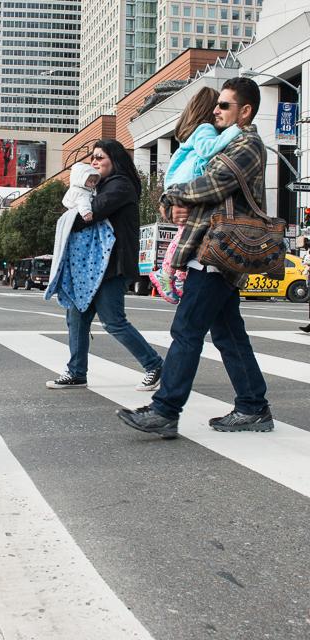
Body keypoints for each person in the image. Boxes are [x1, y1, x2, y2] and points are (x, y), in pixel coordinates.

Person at [117, 77, 274, 438]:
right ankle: (253, 406)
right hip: (208, 248)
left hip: (217, 252)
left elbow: (213, 184)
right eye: (217, 104)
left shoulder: (247, 143)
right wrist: (173, 204)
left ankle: (165, 410)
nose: (215, 111)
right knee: (228, 334)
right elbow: (197, 186)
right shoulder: (223, 143)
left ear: (245, 111)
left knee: (186, 330)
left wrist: (173, 196)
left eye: (224, 106)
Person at [45, 140, 163, 391]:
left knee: (113, 321)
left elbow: (87, 216)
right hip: (91, 265)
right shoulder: (100, 186)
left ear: (115, 160)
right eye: (93, 158)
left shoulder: (120, 185)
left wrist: (76, 210)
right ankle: (76, 372)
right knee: (76, 317)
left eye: (100, 157)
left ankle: (154, 365)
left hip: (112, 265)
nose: (94, 162)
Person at [149, 88, 241, 304]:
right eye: (218, 106)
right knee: (185, 235)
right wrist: (237, 129)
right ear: (209, 110)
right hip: (187, 185)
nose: (220, 110)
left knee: (184, 234)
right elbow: (209, 149)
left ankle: (175, 275)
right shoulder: (205, 129)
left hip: (179, 185)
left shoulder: (194, 132)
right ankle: (170, 273)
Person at [45, 161, 115, 313]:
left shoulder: (82, 190)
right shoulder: (80, 192)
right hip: (83, 227)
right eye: (89, 180)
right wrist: (86, 213)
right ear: (79, 179)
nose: (92, 183)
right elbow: (83, 203)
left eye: (94, 181)